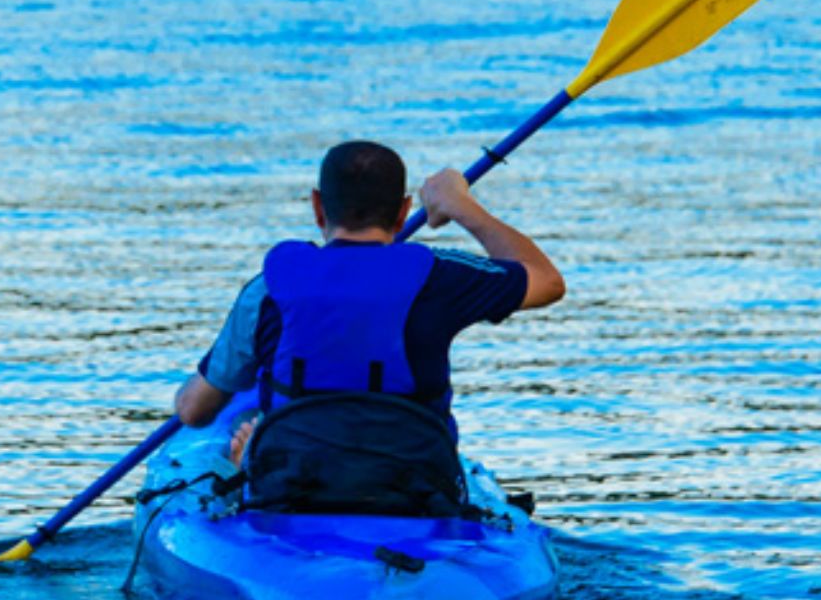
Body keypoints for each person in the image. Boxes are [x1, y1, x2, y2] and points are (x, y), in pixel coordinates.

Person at [171, 140, 565, 460]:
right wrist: (461, 207)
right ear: (404, 211)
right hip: (416, 488)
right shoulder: (440, 277)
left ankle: (250, 463)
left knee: (247, 432)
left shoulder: (269, 287)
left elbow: (194, 410)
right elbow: (547, 281)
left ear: (317, 207)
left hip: (290, 487)